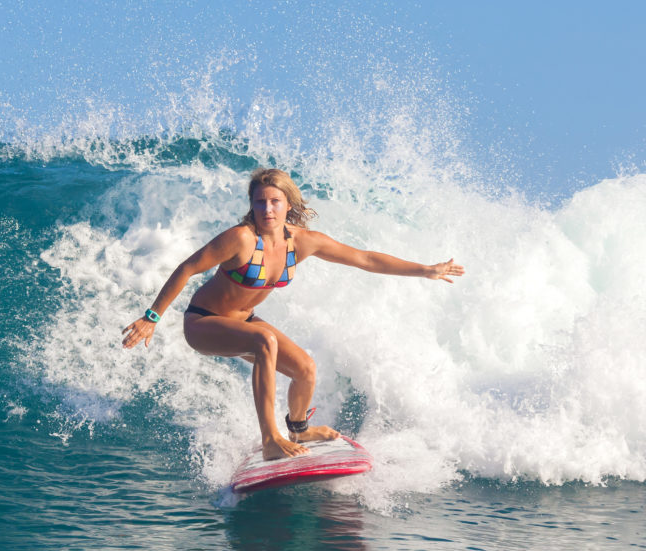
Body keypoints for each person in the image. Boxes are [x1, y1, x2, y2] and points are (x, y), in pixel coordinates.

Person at [121, 168, 464, 461]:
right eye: (259, 201)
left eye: (274, 201)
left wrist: (425, 270)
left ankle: (298, 430)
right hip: (203, 322)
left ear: (288, 204)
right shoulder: (240, 238)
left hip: (244, 322)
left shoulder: (302, 242)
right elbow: (187, 268)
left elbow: (365, 258)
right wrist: (152, 317)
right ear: (251, 205)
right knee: (264, 340)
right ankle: (271, 439)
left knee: (305, 369)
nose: (266, 208)